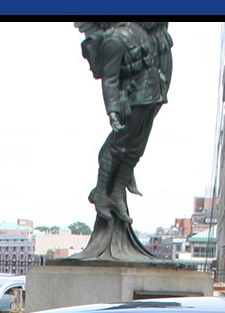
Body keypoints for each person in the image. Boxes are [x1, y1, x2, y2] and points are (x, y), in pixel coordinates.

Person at [72, 21, 173, 264]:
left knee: (136, 148)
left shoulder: (136, 30)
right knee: (119, 145)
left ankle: (116, 192)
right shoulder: (113, 40)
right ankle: (102, 192)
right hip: (135, 97)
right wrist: (113, 110)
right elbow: (110, 79)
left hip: (152, 94)